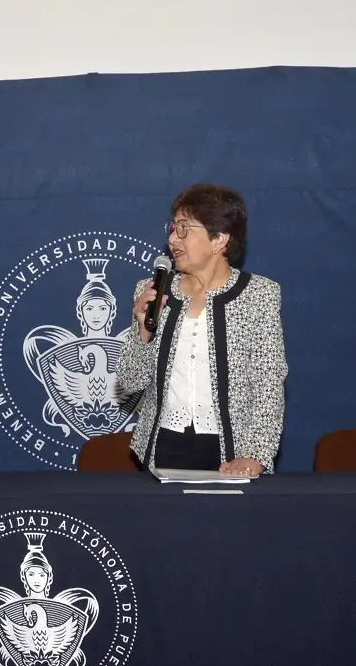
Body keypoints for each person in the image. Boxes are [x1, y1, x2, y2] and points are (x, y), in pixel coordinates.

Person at [117, 183, 287, 476]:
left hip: (234, 454)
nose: (173, 239)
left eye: (185, 229)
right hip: (162, 448)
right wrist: (143, 332)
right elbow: (130, 382)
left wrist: (255, 455)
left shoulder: (258, 295)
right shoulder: (153, 292)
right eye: (173, 228)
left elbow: (268, 383)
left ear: (219, 239)